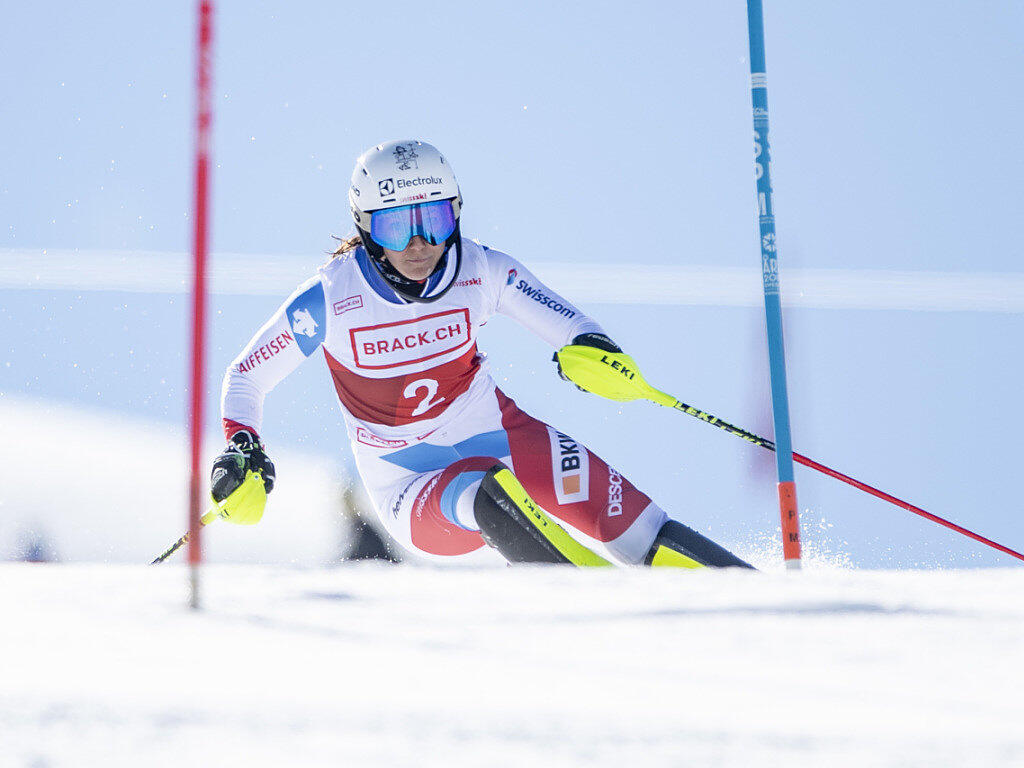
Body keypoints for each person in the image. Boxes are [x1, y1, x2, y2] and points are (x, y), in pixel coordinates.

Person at [210, 139, 752, 569]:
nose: (419, 245)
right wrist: (242, 446)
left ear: (458, 215)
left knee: (639, 527)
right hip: (410, 485)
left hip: (502, 437)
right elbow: (247, 378)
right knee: (488, 490)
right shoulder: (332, 298)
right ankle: (614, 615)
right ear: (366, 227)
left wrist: (596, 354)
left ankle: (764, 610)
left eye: (436, 221)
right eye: (397, 226)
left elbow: (572, 327)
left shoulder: (481, 269)